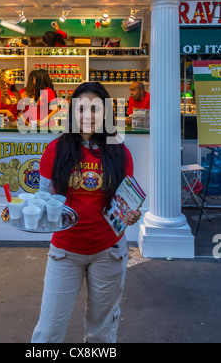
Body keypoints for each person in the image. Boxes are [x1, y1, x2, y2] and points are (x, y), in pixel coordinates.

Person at [31, 81, 141, 343]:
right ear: (72, 114)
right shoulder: (55, 151)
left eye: (95, 109)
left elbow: (125, 202)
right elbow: (44, 197)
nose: (88, 116)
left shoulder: (120, 153)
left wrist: (130, 215)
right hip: (65, 252)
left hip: (109, 253)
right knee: (47, 332)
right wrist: (32, 212)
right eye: (81, 109)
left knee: (101, 334)